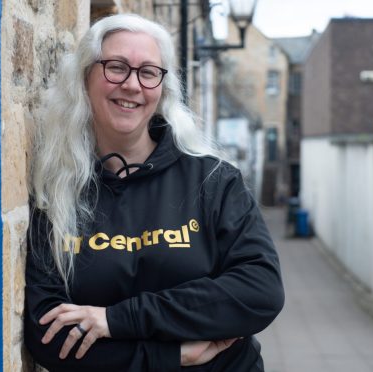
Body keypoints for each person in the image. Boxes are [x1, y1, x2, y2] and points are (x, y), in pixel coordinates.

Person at [24, 13, 284, 372]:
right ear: (85, 78)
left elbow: (260, 291)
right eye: (116, 67)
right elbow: (48, 336)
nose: (132, 85)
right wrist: (170, 357)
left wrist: (116, 320)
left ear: (163, 88)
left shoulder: (214, 181)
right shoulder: (57, 189)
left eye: (148, 72)